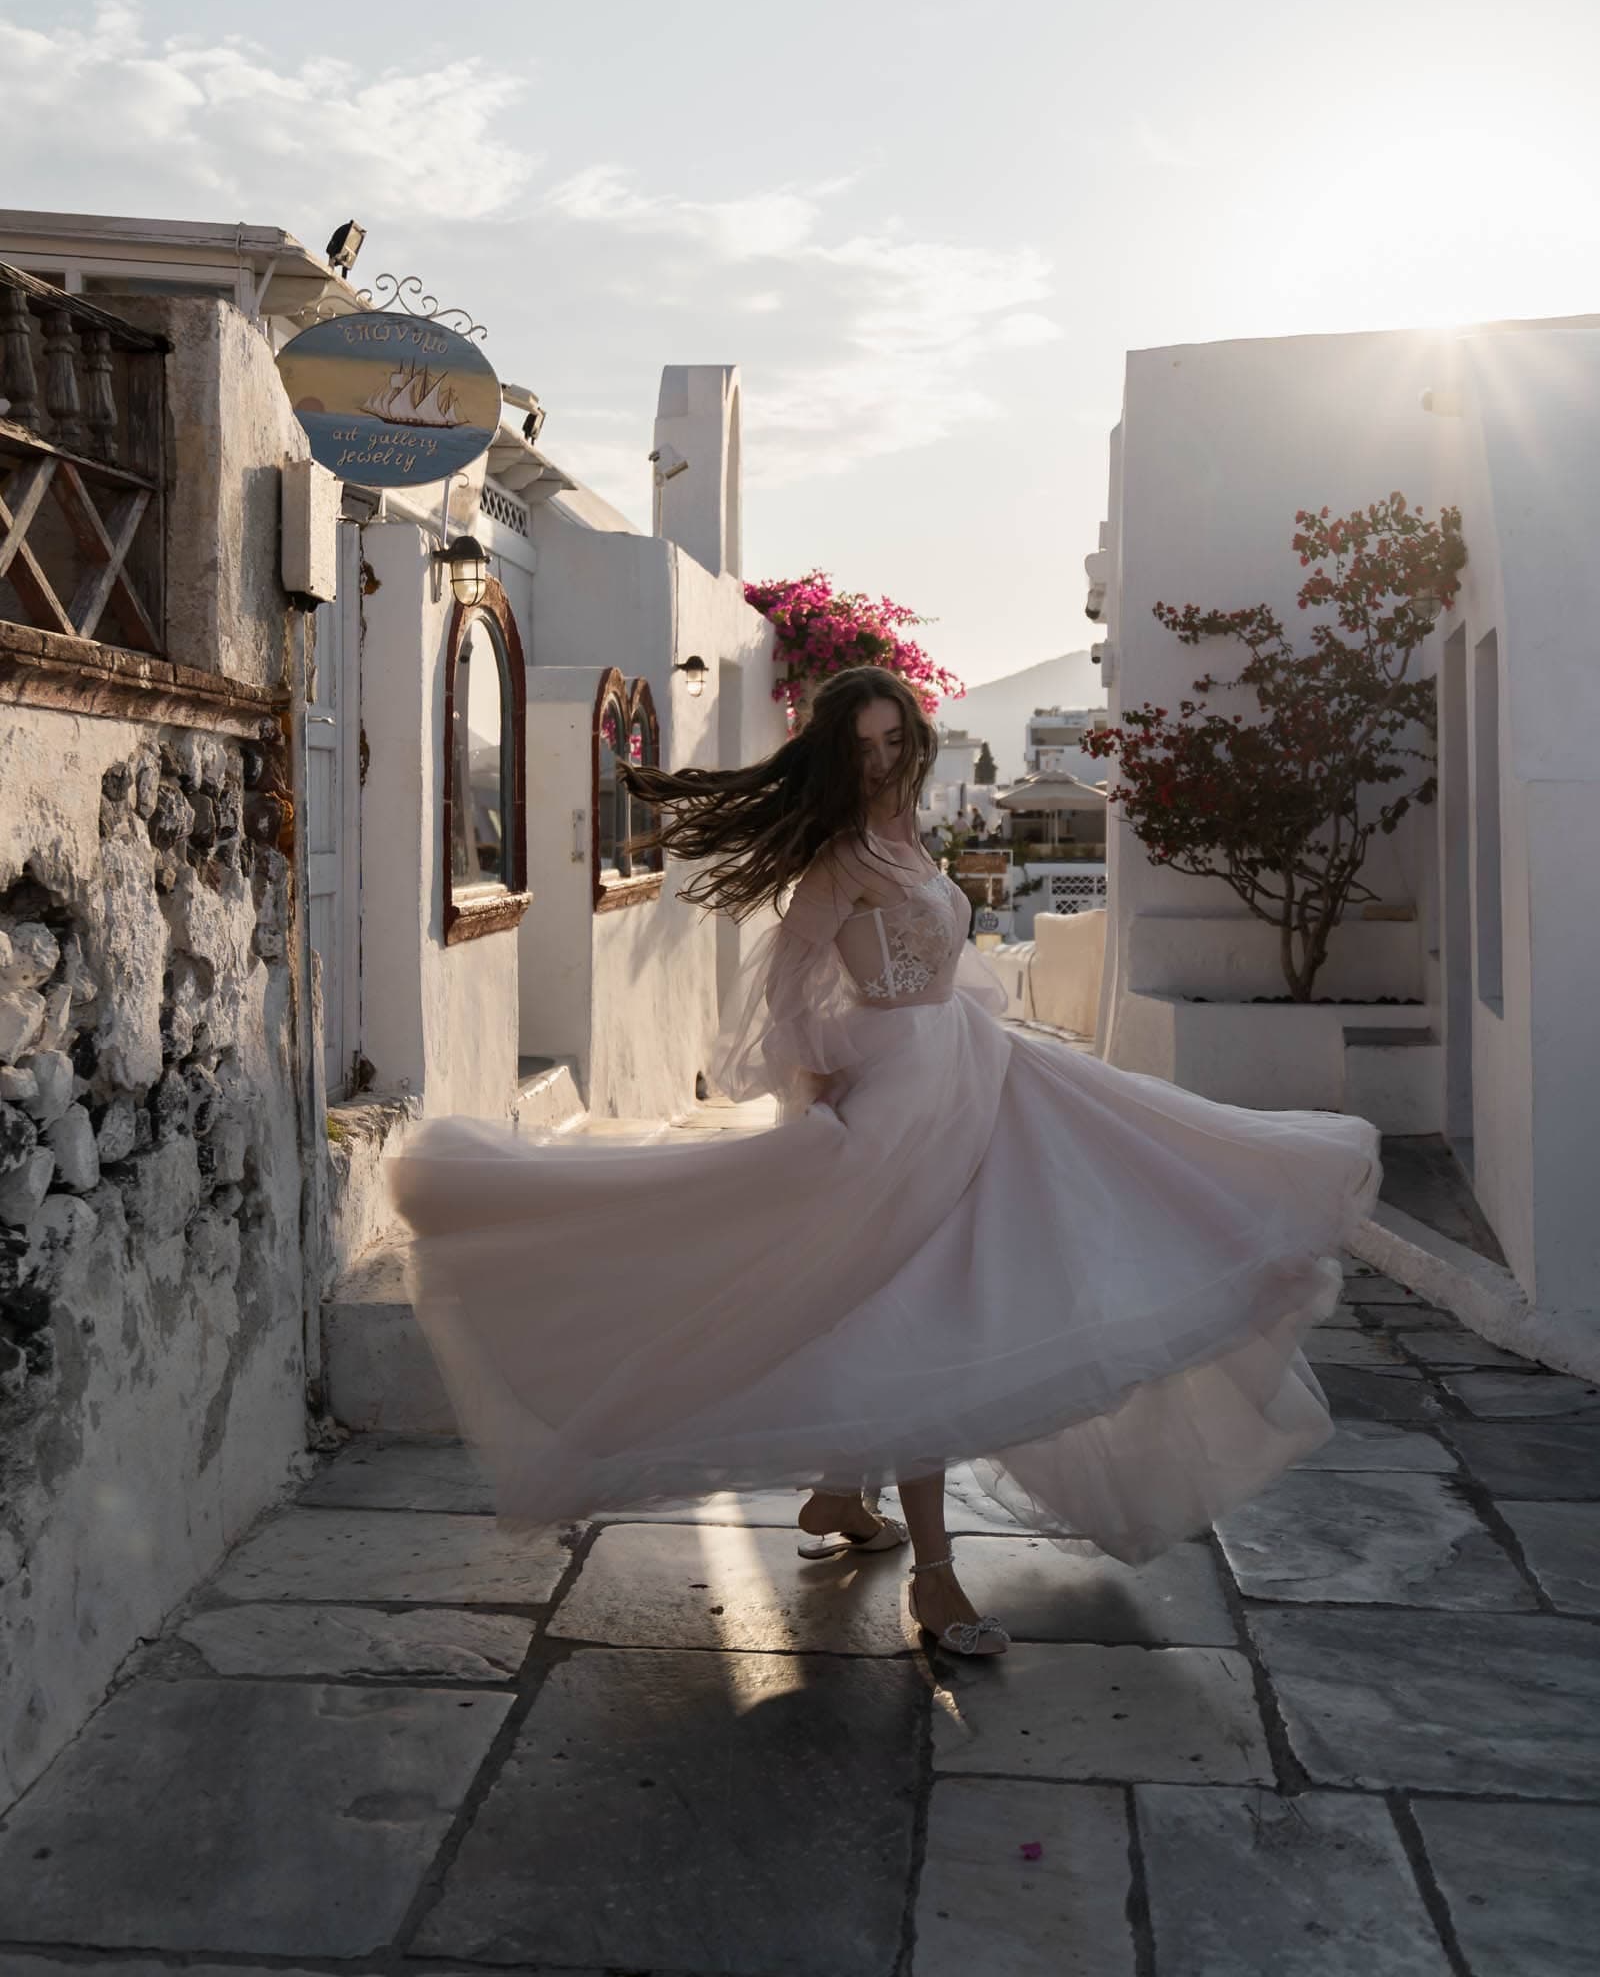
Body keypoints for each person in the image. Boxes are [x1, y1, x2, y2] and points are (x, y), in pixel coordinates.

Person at [390, 665, 1378, 1659]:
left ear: (912, 738)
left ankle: (839, 1492)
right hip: (902, 1102)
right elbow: (781, 988)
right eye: (859, 749)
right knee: (926, 1323)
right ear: (835, 752)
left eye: (891, 743)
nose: (878, 764)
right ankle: (936, 1584)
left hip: (972, 1070)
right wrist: (813, 1093)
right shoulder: (838, 857)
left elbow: (948, 965)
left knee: (933, 1293)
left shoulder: (911, 834)